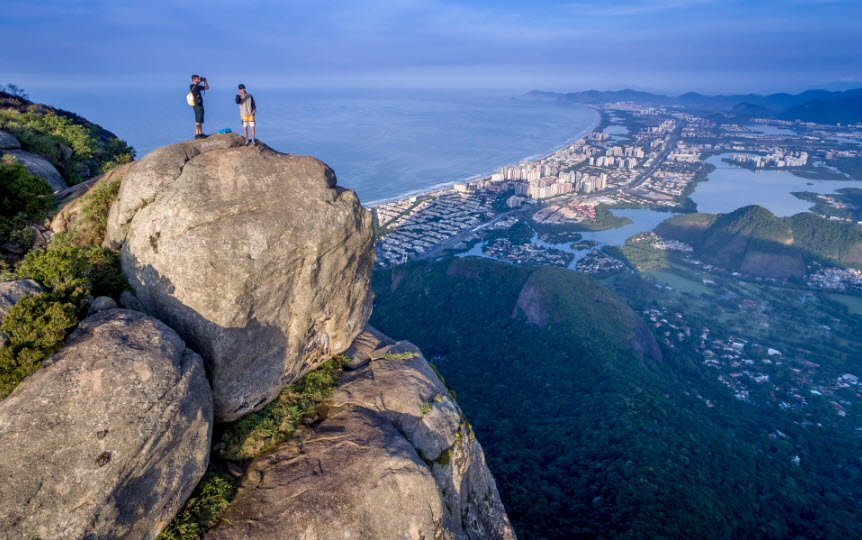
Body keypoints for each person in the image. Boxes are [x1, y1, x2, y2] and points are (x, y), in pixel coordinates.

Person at [190, 74, 209, 139]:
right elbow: (196, 87)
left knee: (200, 119)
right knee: (198, 120)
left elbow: (206, 88)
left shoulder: (197, 86)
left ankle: (200, 133)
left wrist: (205, 81)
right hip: (197, 105)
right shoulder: (193, 86)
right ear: (194, 80)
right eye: (197, 79)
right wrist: (202, 80)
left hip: (199, 104)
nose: (199, 80)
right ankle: (197, 134)